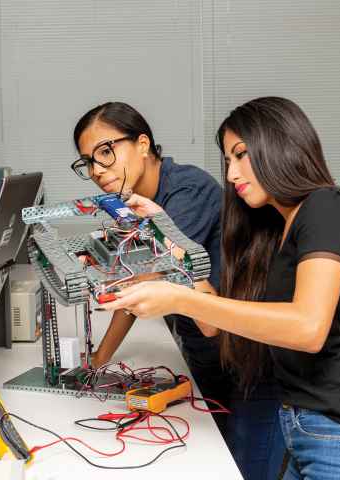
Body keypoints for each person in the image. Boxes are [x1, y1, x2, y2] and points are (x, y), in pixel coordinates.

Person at [104, 96, 340, 479]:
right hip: (309, 429)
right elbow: (213, 325)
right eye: (228, 161)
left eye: (241, 155)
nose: (231, 174)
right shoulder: (275, 230)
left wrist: (177, 297)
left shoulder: (327, 206)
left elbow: (308, 328)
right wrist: (168, 235)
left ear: (281, 145)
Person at [71, 101, 285, 479]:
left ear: (142, 144)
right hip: (207, 352)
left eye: (106, 152)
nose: (96, 170)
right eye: (87, 161)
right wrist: (99, 361)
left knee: (243, 468)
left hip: (250, 362)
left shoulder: (187, 190)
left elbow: (146, 275)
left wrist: (104, 270)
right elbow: (138, 283)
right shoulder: (131, 203)